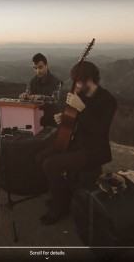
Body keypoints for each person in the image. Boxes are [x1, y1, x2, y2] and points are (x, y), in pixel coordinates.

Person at [35, 61, 117, 225]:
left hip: (93, 150)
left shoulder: (107, 100)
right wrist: (63, 118)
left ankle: (60, 207)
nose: (76, 86)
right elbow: (74, 121)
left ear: (89, 81)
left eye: (78, 82)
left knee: (50, 164)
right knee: (40, 157)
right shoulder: (81, 95)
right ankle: (63, 194)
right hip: (74, 143)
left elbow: (100, 131)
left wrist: (82, 108)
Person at [19, 53, 63, 127]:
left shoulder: (56, 82)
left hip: (52, 123)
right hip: (35, 121)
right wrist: (25, 96)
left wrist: (41, 97)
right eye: (35, 68)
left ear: (47, 65)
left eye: (40, 67)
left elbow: (55, 99)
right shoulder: (32, 81)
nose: (38, 71)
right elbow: (28, 93)